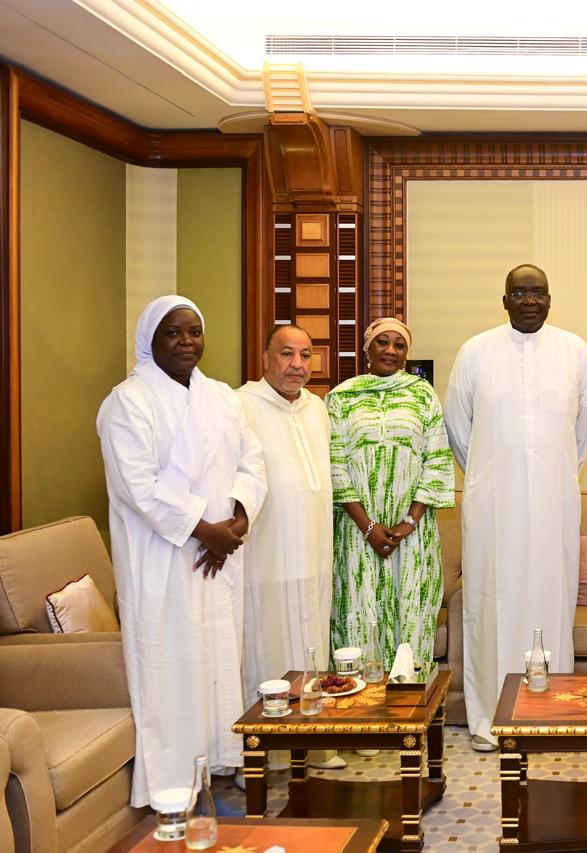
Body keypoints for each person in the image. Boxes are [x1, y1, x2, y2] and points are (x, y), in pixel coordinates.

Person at [97, 295, 267, 808]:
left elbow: (252, 461)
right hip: (163, 557)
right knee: (171, 661)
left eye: (194, 331)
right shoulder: (127, 402)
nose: (186, 341)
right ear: (149, 339)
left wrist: (238, 520)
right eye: (173, 333)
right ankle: (173, 781)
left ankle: (217, 759)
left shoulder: (221, 397)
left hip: (221, 553)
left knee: (217, 653)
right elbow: (137, 485)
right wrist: (202, 529)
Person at [444, 263, 587, 751]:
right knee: (492, 602)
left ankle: (550, 717)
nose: (530, 301)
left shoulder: (574, 350)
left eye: (538, 292)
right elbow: (458, 429)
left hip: (555, 501)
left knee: (552, 600)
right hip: (492, 504)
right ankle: (490, 720)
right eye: (520, 293)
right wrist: (493, 473)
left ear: (550, 299)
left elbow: (582, 431)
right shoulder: (475, 351)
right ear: (504, 299)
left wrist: (549, 473)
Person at [238, 324, 343, 770]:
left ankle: (314, 745)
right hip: (268, 559)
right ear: (265, 359)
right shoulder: (240, 405)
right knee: (267, 650)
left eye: (305, 355)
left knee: (311, 647)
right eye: (286, 354)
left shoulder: (317, 408)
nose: (297, 364)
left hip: (314, 556)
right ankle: (262, 756)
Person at [327, 318, 455, 685]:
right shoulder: (341, 397)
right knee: (359, 611)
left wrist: (409, 522)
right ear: (367, 349)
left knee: (411, 610)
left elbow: (436, 459)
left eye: (399, 345)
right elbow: (334, 463)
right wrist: (367, 526)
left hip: (411, 533)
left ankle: (409, 704)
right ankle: (359, 707)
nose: (390, 350)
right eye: (382, 342)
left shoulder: (422, 395)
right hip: (357, 530)